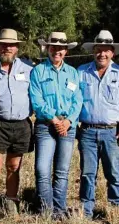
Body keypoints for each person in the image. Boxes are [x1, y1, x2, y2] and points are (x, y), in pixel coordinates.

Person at [78, 30, 119, 219]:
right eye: (98, 50)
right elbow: (74, 100)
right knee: (87, 174)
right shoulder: (81, 72)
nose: (102, 54)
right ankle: (86, 211)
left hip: (111, 132)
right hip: (87, 131)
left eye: (106, 50)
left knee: (114, 174)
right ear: (93, 51)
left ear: (113, 53)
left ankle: (117, 210)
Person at [29, 32, 82, 220]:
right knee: (42, 169)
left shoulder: (73, 73)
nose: (56, 51)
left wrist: (68, 121)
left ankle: (59, 210)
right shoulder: (38, 71)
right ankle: (46, 210)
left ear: (66, 51)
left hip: (67, 126)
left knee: (62, 171)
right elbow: (36, 100)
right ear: (47, 49)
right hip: (45, 125)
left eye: (60, 48)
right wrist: (54, 119)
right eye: (53, 47)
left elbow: (78, 100)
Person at [0, 28, 34, 218]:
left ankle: (11, 201)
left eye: (11, 45)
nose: (7, 48)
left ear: (17, 48)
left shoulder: (28, 69)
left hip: (21, 125)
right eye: (3, 45)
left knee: (14, 167)